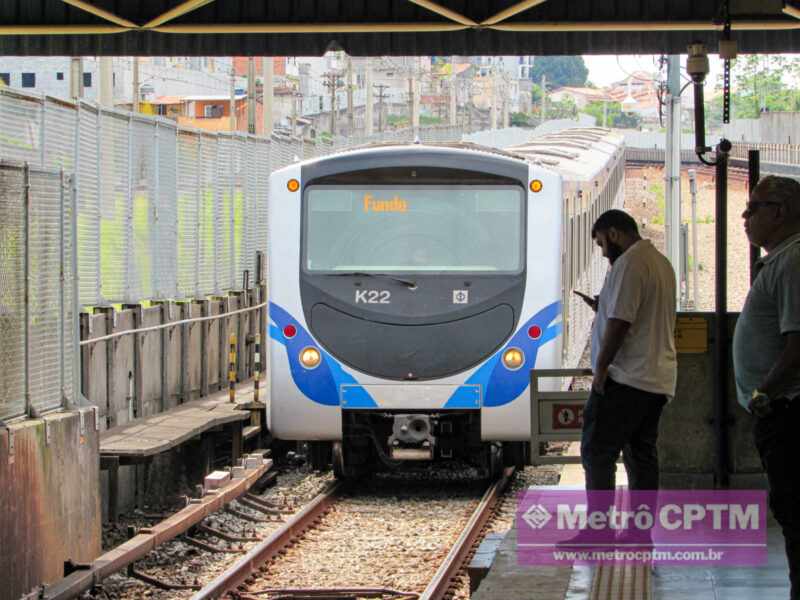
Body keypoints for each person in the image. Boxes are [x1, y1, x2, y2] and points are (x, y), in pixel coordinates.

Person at [732, 175, 800, 599]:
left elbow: (798, 341)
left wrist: (764, 393)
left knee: (795, 512)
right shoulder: (782, 260)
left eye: (752, 208)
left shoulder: (793, 262)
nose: (744, 217)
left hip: (789, 411)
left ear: (780, 212)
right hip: (782, 410)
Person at [580, 209, 677, 491]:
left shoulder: (629, 264)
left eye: (601, 244)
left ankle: (599, 530)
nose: (602, 252)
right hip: (654, 379)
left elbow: (621, 322)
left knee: (597, 452)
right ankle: (640, 531)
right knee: (641, 455)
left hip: (626, 379)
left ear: (614, 234)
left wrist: (600, 369)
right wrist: (602, 306)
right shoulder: (659, 262)